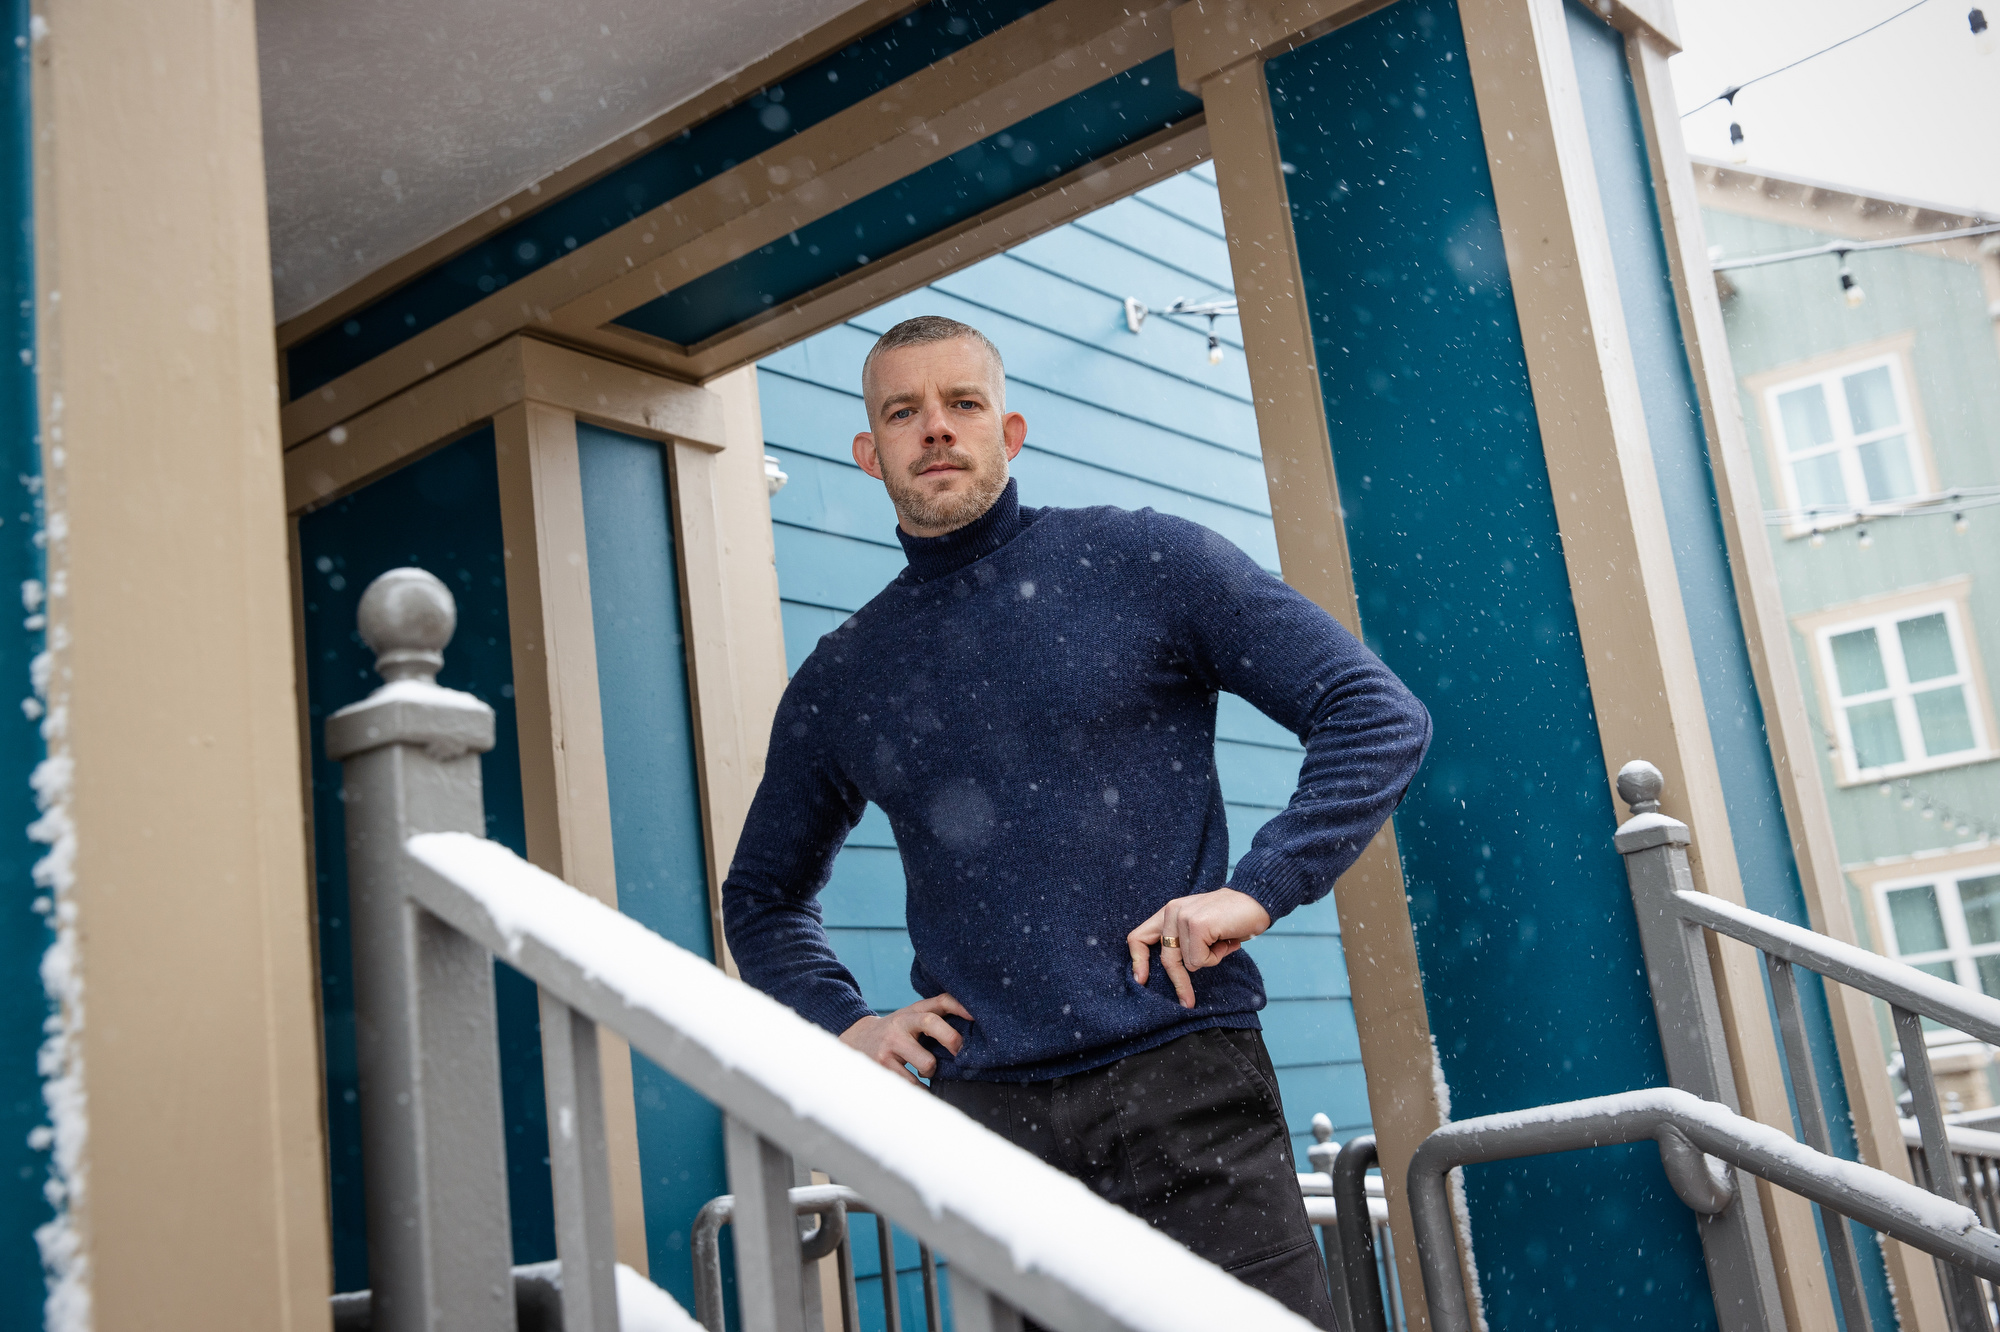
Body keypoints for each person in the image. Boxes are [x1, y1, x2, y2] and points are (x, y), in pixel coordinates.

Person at [722, 315, 1430, 1326]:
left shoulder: (1143, 561)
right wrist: (850, 1022)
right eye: (902, 412)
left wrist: (1257, 888)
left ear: (1008, 433)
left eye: (960, 404)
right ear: (866, 452)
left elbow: (1371, 713)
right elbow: (761, 899)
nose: (934, 430)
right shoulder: (845, 675)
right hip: (991, 1127)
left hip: (1184, 1081)